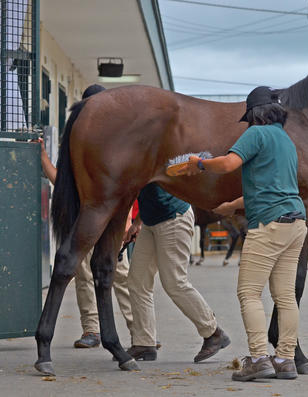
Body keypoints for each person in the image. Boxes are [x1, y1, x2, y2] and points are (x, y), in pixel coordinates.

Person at [177, 86, 307, 381]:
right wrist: (233, 206)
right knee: (285, 297)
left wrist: (199, 163)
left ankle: (259, 358)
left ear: (254, 114)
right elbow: (275, 187)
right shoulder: (286, 140)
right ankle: (285, 360)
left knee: (249, 292)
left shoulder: (256, 133)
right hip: (296, 222)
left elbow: (228, 163)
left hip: (269, 225)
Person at [39, 84, 134, 349]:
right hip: (82, 220)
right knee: (83, 276)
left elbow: (128, 185)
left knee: (121, 276)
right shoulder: (77, 143)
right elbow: (62, 181)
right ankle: (92, 329)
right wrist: (44, 158)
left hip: (109, 220)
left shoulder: (117, 142)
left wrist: (126, 220)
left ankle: (139, 329)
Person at [125, 183, 230, 362]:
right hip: (150, 221)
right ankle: (144, 342)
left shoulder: (148, 154)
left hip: (173, 218)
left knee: (175, 282)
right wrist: (137, 222)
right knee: (137, 281)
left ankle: (213, 332)